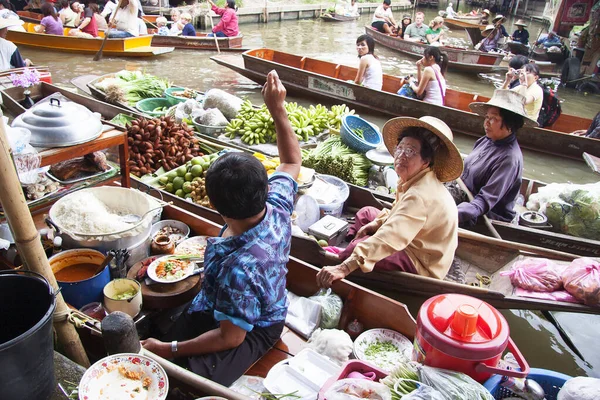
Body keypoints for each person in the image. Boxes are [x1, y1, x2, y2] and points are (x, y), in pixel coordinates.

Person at [141, 70, 301, 387]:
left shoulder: (240, 268)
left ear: (215, 206)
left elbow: (230, 337)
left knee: (184, 383)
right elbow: (292, 161)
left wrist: (169, 349)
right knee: (169, 337)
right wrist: (277, 109)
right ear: (264, 187)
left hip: (255, 327)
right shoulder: (278, 205)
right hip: (225, 302)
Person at [315, 115, 463, 287]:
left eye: (410, 151)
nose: (401, 155)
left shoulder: (420, 195)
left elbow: (393, 235)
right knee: (367, 213)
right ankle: (352, 249)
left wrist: (345, 267)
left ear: (426, 161)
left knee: (358, 247)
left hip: (421, 261)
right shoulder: (414, 179)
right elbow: (398, 213)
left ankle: (345, 256)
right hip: (411, 237)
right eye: (400, 148)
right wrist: (377, 224)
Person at [458, 89, 537, 226]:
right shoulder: (485, 140)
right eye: (487, 117)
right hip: (463, 196)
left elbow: (483, 202)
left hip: (484, 216)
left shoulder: (509, 159)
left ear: (510, 124)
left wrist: (452, 213)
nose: (486, 123)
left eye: (493, 118)